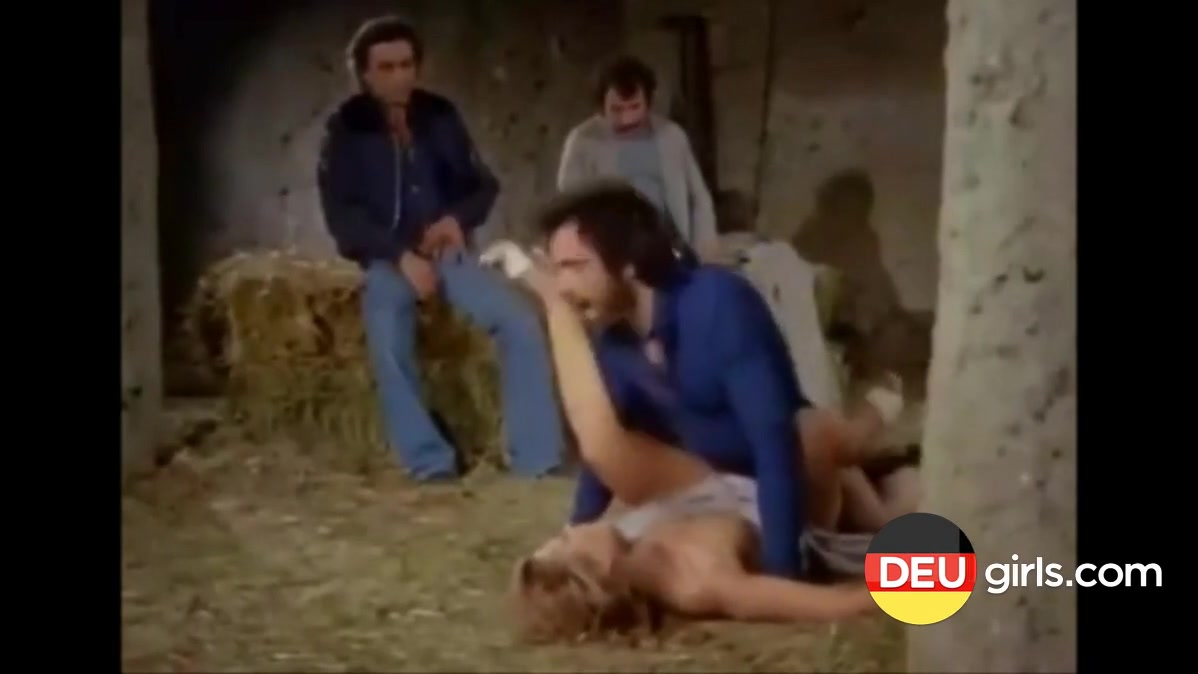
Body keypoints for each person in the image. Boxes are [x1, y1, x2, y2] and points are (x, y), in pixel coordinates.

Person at [485, 183, 910, 583]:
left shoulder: (718, 304)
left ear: (628, 263)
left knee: (825, 444)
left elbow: (774, 442)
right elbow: (609, 451)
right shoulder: (613, 337)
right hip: (712, 486)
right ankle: (869, 451)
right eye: (557, 270)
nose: (563, 286)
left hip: (790, 482)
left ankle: (879, 411)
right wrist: (574, 534)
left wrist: (782, 565)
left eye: (575, 267)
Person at [316, 16, 564, 480]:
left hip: (448, 253)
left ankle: (536, 459)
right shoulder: (345, 129)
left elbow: (482, 186)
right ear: (364, 74)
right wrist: (399, 255)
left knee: (520, 321)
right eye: (386, 68)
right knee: (388, 336)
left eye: (407, 65)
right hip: (388, 259)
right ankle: (430, 461)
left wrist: (456, 219)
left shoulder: (439, 115)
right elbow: (342, 216)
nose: (400, 77)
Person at [556, 56, 718, 262]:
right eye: (616, 109)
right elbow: (568, 205)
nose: (627, 118)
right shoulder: (583, 141)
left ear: (648, 102)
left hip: (668, 244)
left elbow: (699, 198)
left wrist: (704, 250)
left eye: (635, 106)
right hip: (611, 249)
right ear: (601, 106)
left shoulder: (671, 135)